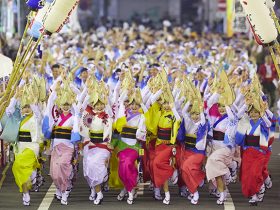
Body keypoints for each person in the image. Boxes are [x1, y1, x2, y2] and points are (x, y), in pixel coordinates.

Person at [42, 78, 80, 205]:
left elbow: (78, 106)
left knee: (64, 167)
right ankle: (59, 188)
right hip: (56, 147)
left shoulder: (74, 118)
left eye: (67, 104)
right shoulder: (56, 118)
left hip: (68, 147)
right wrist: (56, 86)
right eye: (63, 104)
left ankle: (64, 193)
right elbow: (49, 104)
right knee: (54, 173)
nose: (65, 106)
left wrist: (68, 84)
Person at [79, 80, 113, 205]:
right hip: (90, 145)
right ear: (92, 104)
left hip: (102, 146)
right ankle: (94, 190)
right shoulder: (88, 116)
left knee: (95, 165)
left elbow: (108, 132)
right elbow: (83, 128)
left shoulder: (106, 117)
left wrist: (104, 143)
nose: (99, 106)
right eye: (96, 104)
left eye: (101, 104)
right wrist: (88, 92)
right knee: (88, 168)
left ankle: (99, 192)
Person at [113, 87, 147, 204]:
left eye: (136, 104)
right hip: (122, 145)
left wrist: (138, 132)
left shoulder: (142, 116)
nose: (133, 106)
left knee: (127, 163)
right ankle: (126, 188)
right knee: (122, 168)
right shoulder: (123, 114)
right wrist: (124, 92)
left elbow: (142, 133)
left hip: (134, 146)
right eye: (131, 104)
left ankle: (129, 191)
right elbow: (120, 103)